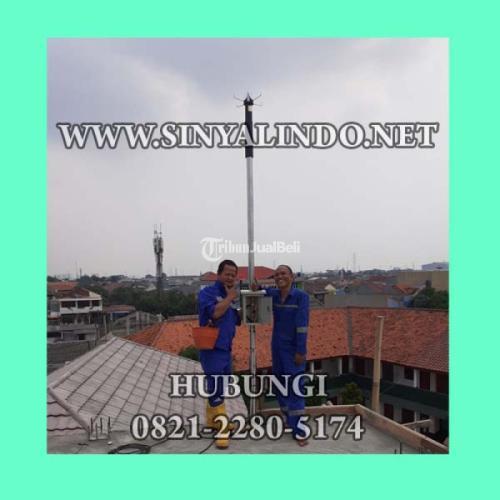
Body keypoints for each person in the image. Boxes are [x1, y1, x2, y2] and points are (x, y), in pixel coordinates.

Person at [253, 264, 310, 445]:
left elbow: (302, 326)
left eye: (283, 273)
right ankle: (288, 419)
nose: (279, 277)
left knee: (295, 388)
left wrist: (301, 350)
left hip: (293, 349)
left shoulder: (301, 297)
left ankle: (299, 430)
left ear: (292, 277)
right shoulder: (275, 295)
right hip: (277, 347)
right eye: (276, 275)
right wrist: (257, 287)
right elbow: (262, 291)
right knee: (279, 385)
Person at [197, 259, 240, 449]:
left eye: (233, 275)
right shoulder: (208, 293)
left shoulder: (229, 296)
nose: (230, 278)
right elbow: (214, 314)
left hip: (225, 348)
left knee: (221, 385)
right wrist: (230, 298)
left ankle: (212, 420)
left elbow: (235, 319)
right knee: (216, 386)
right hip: (212, 348)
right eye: (227, 274)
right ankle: (222, 430)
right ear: (219, 274)